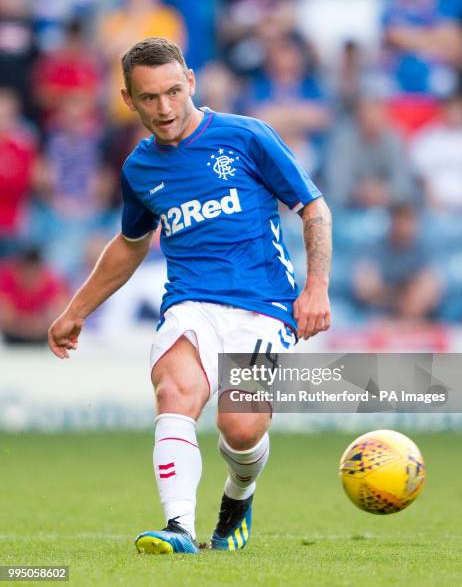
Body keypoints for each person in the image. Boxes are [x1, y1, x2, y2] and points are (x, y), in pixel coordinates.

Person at [47, 37, 332, 555]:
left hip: (263, 305)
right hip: (190, 302)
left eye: (174, 92)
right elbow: (130, 246)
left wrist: (315, 288)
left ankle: (238, 498)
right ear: (128, 99)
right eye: (149, 98)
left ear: (192, 82)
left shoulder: (246, 136)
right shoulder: (139, 169)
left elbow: (313, 209)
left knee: (240, 429)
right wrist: (75, 310)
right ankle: (179, 528)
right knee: (174, 394)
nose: (165, 108)